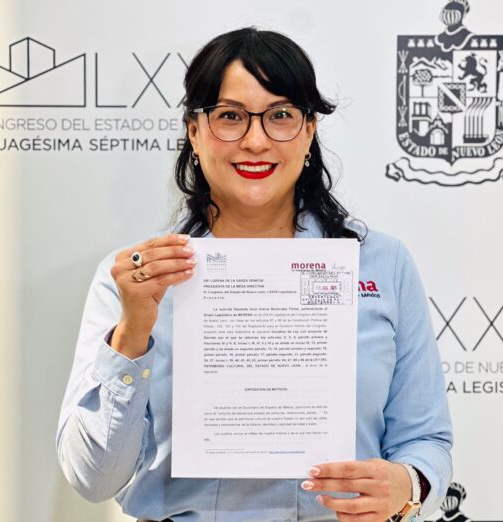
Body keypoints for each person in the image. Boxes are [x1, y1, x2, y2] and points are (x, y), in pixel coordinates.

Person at [57, 27, 452, 522]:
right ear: (194, 131)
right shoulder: (134, 280)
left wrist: (408, 485)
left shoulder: (382, 263)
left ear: (309, 131)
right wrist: (133, 333)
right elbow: (92, 478)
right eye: (230, 117)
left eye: (280, 115)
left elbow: (426, 440)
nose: (256, 141)